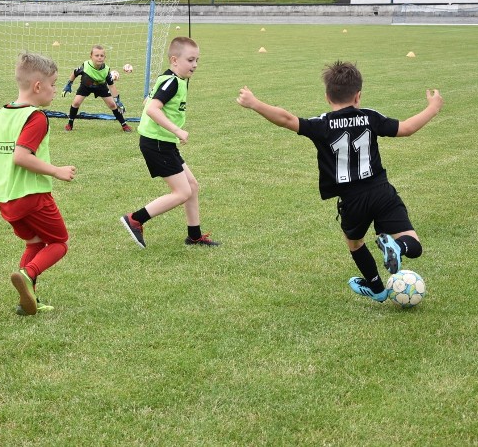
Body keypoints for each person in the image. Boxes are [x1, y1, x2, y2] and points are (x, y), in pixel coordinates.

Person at [236, 60, 443, 302]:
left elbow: (286, 119)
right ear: (358, 96)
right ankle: (399, 248)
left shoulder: (322, 124)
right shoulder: (370, 117)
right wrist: (433, 108)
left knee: (355, 243)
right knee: (413, 243)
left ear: (327, 96)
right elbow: (407, 128)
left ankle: (376, 288)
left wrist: (255, 103)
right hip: (381, 191)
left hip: (352, 200)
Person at [0, 53, 76, 315]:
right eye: (53, 84)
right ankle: (27, 275)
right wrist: (56, 171)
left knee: (35, 243)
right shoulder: (36, 117)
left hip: (6, 198)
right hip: (32, 194)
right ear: (38, 86)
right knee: (59, 242)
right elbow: (20, 156)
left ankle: (28, 300)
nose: (54, 90)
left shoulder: (2, 114)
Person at [120, 36, 220, 249]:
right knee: (182, 192)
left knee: (192, 186)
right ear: (174, 60)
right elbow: (152, 108)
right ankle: (135, 219)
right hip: (156, 143)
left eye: (197, 60)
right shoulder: (172, 81)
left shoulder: (172, 79)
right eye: (190, 60)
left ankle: (194, 236)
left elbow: (148, 100)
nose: (195, 65)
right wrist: (177, 130)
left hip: (163, 143)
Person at [62, 44, 132, 132]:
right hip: (85, 86)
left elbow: (111, 85)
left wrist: (117, 100)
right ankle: (70, 124)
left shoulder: (106, 70)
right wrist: (69, 84)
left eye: (102, 56)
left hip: (101, 87)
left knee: (112, 105)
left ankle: (124, 125)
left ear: (105, 57)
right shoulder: (85, 66)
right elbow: (74, 73)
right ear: (91, 56)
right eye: (97, 55)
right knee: (76, 102)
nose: (99, 57)